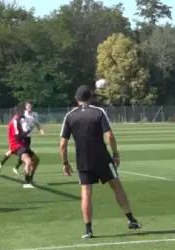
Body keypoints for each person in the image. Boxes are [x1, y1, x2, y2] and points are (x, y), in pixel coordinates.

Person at [59, 85, 141, 239]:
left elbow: (62, 144)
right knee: (116, 186)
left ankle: (88, 230)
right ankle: (131, 220)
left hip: (83, 161)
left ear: (77, 99)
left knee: (86, 193)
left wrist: (65, 163)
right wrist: (116, 154)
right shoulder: (99, 112)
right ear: (90, 98)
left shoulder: (70, 116)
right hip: (102, 158)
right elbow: (109, 136)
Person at [0, 101, 44, 175]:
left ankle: (16, 168)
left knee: (24, 154)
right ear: (25, 107)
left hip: (27, 137)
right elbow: (15, 122)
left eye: (31, 106)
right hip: (21, 137)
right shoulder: (22, 114)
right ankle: (1, 163)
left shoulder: (34, 115)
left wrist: (40, 129)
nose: (30, 107)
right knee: (12, 151)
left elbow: (37, 124)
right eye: (28, 106)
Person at [5, 105, 40, 188]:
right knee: (28, 161)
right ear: (17, 113)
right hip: (16, 145)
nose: (23, 113)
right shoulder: (14, 122)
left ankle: (30, 178)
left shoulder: (19, 120)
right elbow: (18, 136)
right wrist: (29, 130)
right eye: (22, 112)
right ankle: (27, 183)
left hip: (21, 144)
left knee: (36, 160)